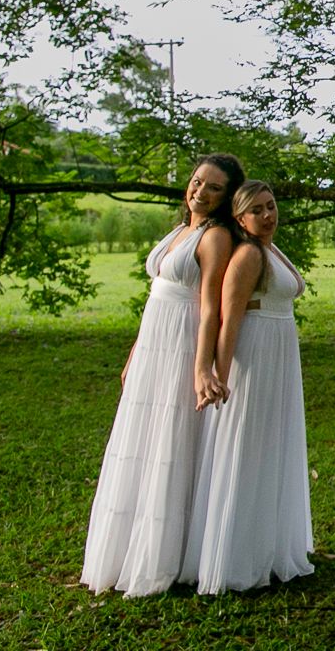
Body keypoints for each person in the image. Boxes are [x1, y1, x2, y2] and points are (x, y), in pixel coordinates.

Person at [82, 152, 248, 596]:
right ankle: (126, 546)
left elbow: (209, 307)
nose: (200, 191)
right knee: (140, 436)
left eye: (214, 187)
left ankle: (166, 555)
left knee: (171, 439)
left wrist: (202, 366)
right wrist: (136, 348)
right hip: (154, 341)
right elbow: (156, 297)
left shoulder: (214, 238)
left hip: (181, 343)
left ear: (227, 196)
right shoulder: (180, 230)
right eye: (197, 182)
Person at [182, 180, 315, 592]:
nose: (268, 215)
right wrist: (219, 375)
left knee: (272, 448)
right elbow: (228, 320)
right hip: (255, 357)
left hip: (281, 356)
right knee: (248, 448)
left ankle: (270, 548)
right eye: (256, 210)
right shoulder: (246, 255)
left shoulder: (272, 249)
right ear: (240, 218)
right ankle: (235, 559)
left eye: (271, 206)